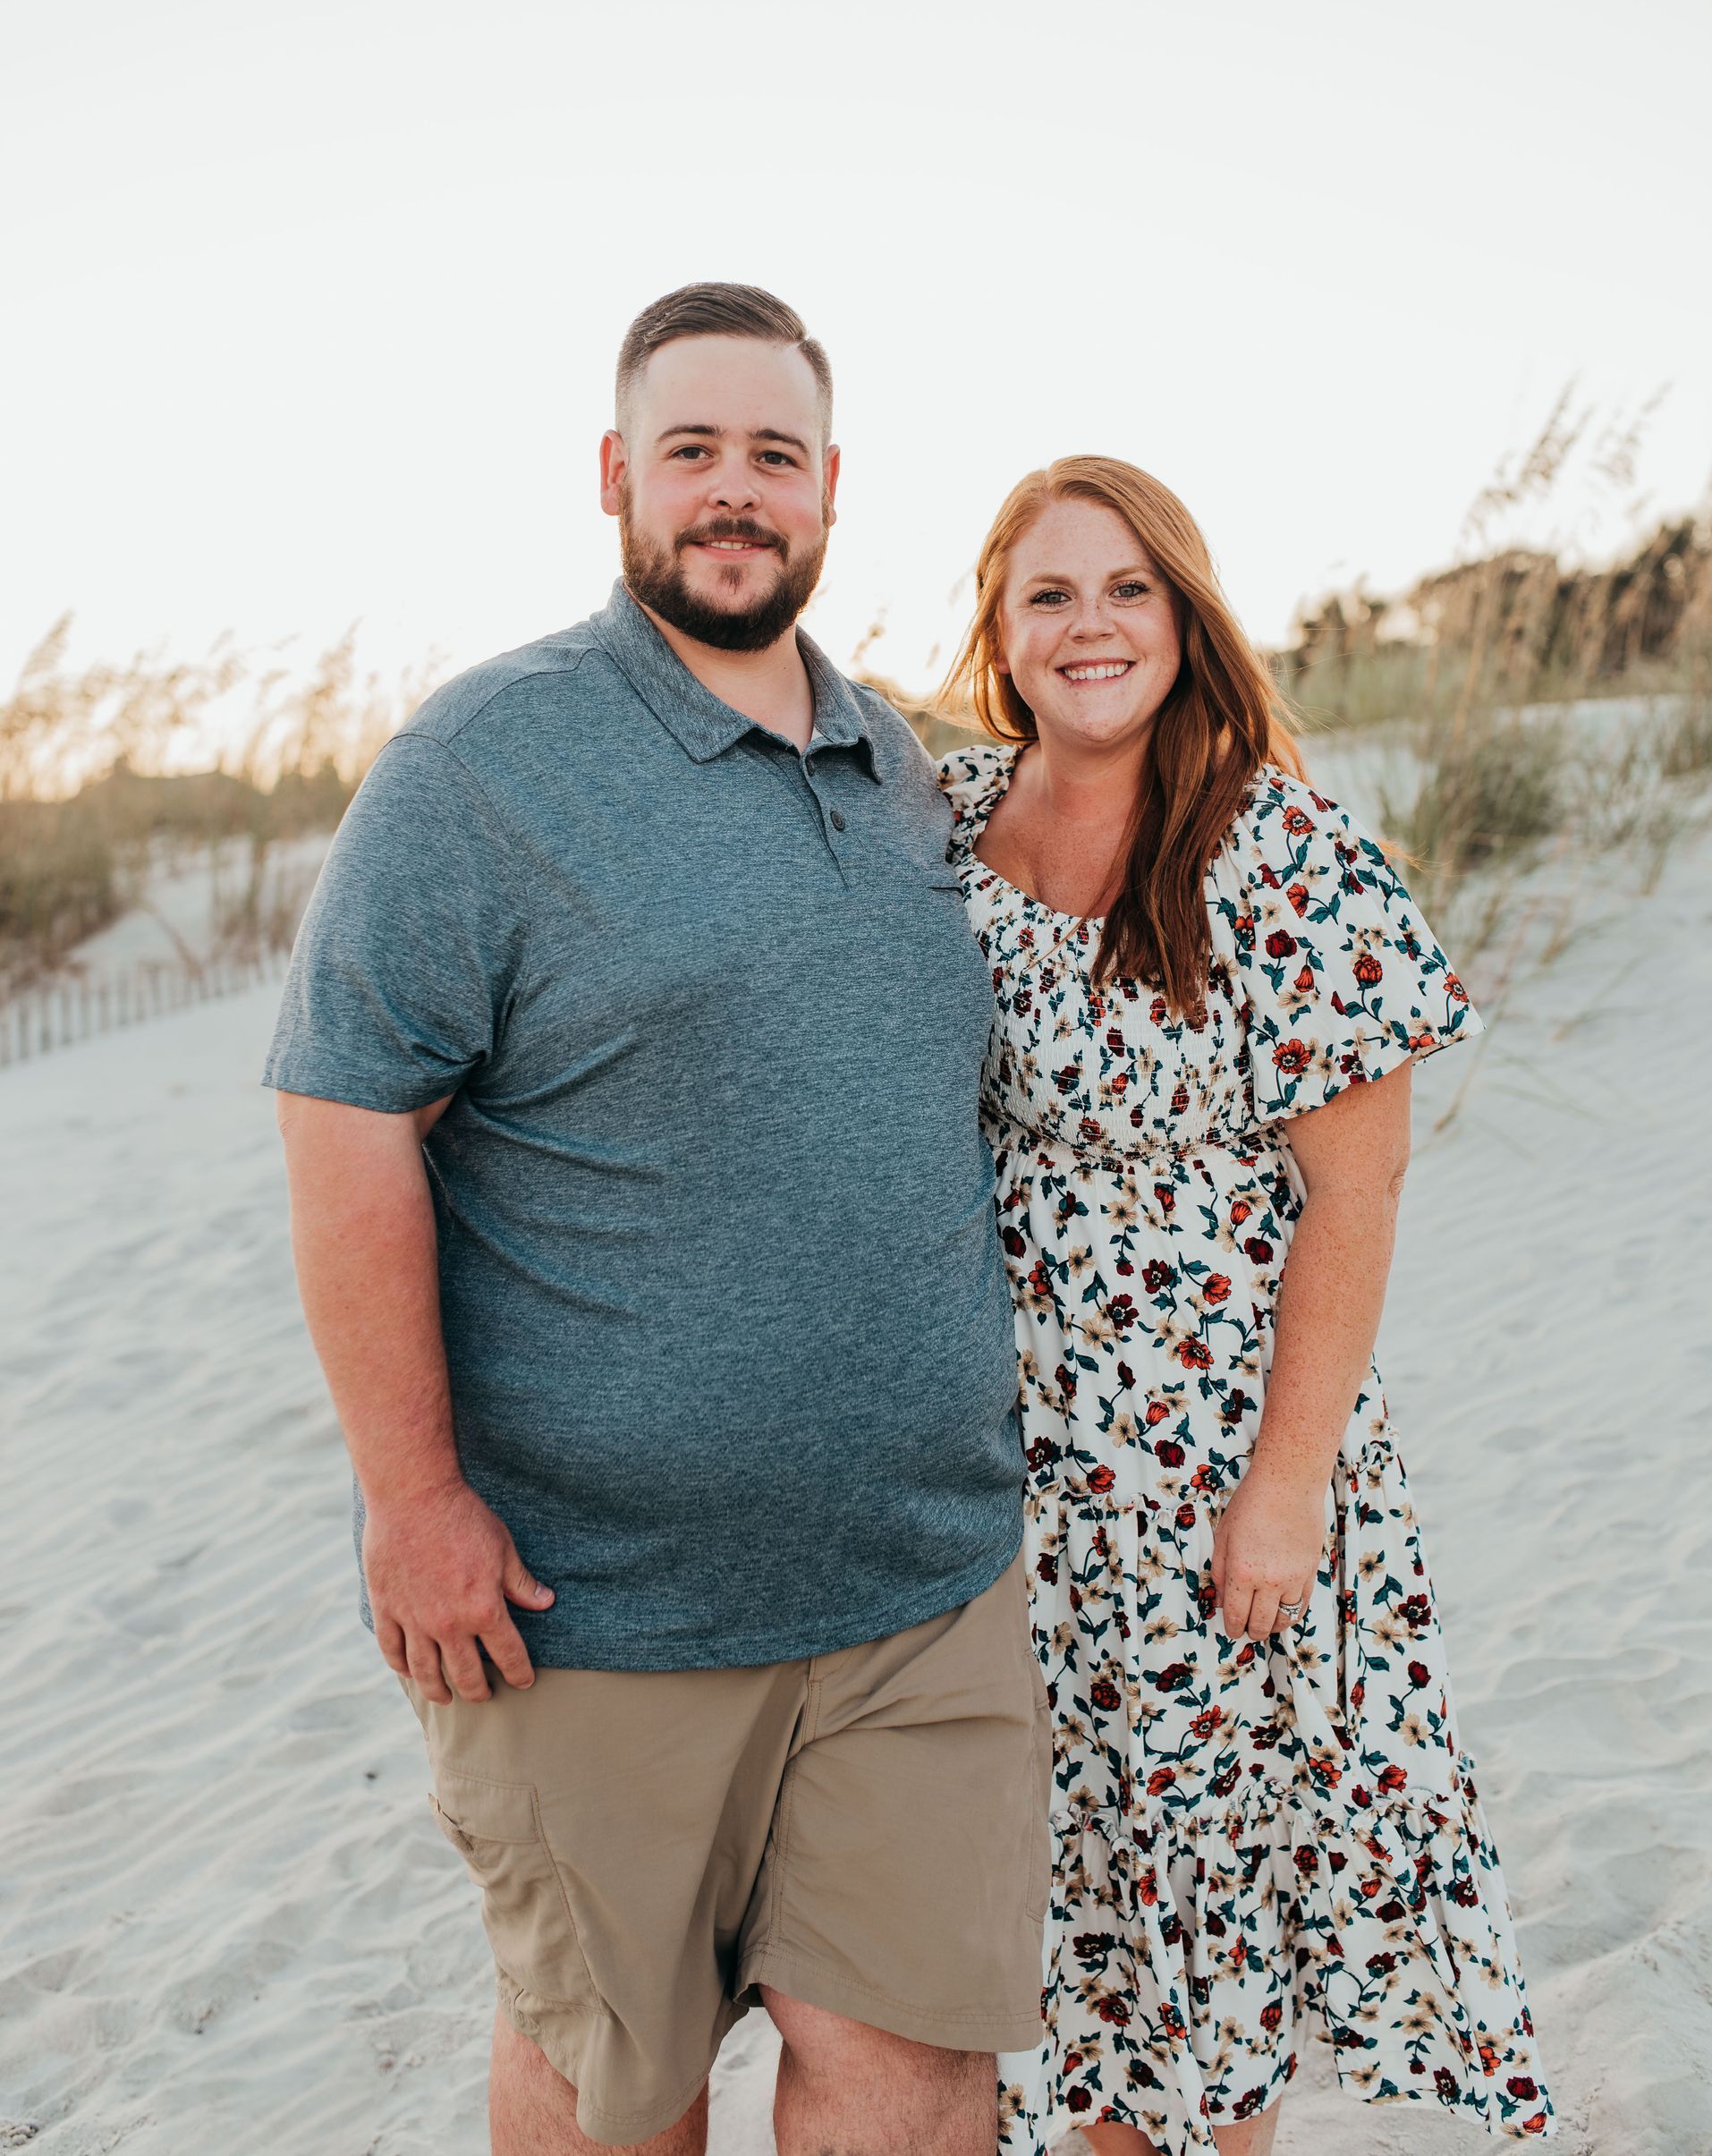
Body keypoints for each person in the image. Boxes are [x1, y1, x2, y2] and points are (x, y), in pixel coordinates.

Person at [265, 283, 1050, 2156]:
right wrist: (413, 1492)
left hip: (920, 1592)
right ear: (616, 478)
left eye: (772, 454)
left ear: (833, 491)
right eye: (690, 450)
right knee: (620, 2087)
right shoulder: (481, 770)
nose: (732, 489)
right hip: (593, 1613)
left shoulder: (916, 778)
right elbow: (346, 1120)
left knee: (923, 2074)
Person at [935, 456, 1554, 2155]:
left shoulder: (1277, 844)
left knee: (1209, 1924)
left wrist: (1283, 1495)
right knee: (1074, 1922)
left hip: (1222, 1471)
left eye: (1129, 588)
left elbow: (1357, 1195)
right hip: (1017, 1483)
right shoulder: (944, 824)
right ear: (998, 624)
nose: (1091, 625)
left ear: (1186, 615)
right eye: (1051, 591)